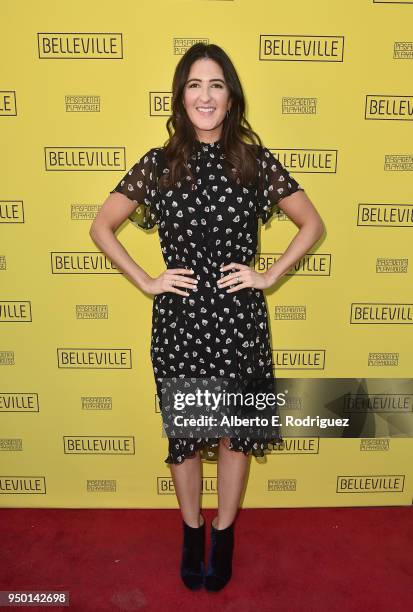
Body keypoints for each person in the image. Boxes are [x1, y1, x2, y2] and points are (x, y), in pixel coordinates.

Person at [90, 42, 324, 592]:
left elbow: (311, 224)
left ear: (230, 96)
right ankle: (191, 530)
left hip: (241, 320)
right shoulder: (159, 165)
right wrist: (148, 280)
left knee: (235, 435)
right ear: (181, 96)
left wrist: (267, 275)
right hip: (180, 322)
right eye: (195, 84)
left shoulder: (253, 162)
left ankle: (224, 532)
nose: (205, 95)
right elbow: (101, 226)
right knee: (187, 436)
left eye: (216, 84)